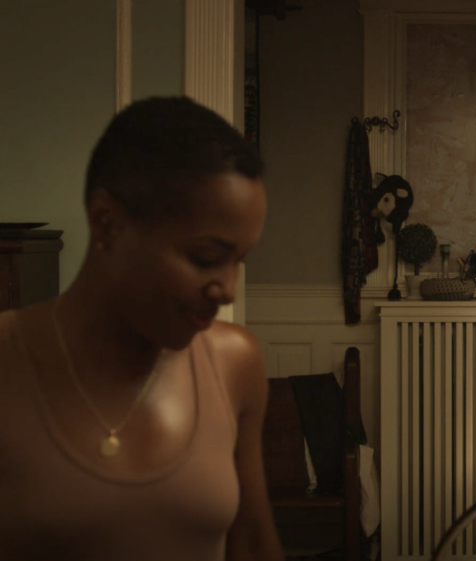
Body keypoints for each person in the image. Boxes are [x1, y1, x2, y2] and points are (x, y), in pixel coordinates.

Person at [0, 97, 284, 561]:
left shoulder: (235, 363)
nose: (228, 290)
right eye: (206, 258)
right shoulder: (7, 358)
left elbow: (252, 544)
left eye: (239, 261)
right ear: (107, 223)